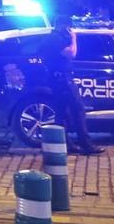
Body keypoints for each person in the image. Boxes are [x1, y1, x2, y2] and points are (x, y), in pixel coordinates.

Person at [41, 23, 103, 155]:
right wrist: (74, 38)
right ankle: (86, 145)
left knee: (61, 113)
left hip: (58, 79)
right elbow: (71, 53)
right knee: (78, 110)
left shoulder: (53, 37)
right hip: (63, 80)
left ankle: (64, 144)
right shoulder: (56, 39)